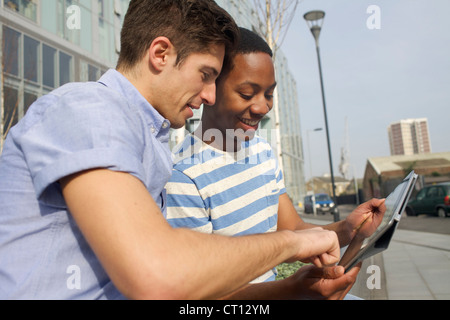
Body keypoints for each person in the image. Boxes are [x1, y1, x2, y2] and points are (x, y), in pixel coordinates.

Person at [0, 0, 341, 300]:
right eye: (206, 74)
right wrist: (292, 244)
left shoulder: (150, 137)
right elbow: (156, 275)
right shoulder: (89, 111)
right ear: (160, 54)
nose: (210, 94)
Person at [165, 27, 387, 299]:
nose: (262, 107)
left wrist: (347, 230)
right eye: (247, 94)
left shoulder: (261, 150)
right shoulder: (184, 177)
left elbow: (292, 229)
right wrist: (292, 291)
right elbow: (197, 296)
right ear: (210, 88)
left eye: (269, 94)